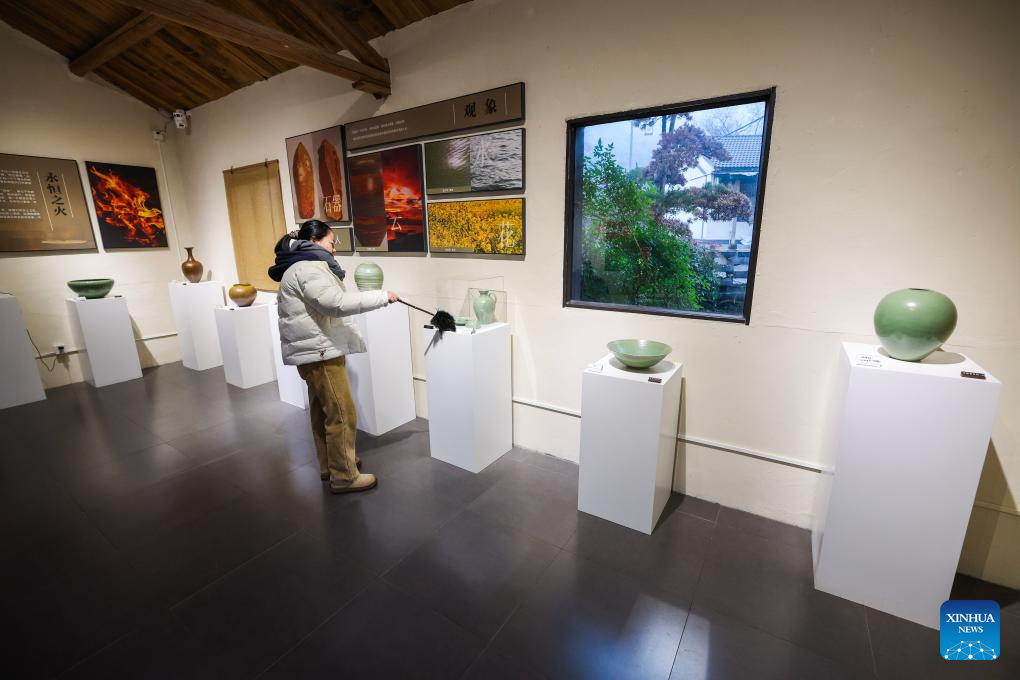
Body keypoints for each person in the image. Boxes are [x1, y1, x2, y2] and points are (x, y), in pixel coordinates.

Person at [269, 220, 398, 493]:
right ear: (314, 242)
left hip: (315, 351)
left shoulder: (299, 266)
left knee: (323, 411)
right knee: (341, 413)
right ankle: (344, 476)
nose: (334, 250)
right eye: (331, 243)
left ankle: (332, 464)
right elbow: (335, 304)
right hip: (320, 352)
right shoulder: (308, 268)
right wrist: (381, 296)